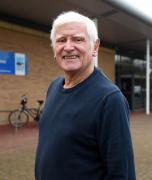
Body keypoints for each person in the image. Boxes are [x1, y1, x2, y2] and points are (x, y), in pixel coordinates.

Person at [35, 11, 136, 180]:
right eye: (61, 40)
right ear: (54, 49)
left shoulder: (109, 99)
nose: (68, 46)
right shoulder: (54, 87)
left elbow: (121, 173)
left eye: (77, 39)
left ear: (94, 47)